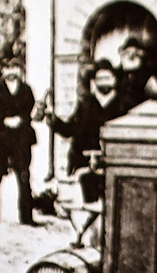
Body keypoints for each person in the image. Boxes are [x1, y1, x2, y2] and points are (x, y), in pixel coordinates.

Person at [44, 59, 124, 201]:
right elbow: (71, 130)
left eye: (108, 78)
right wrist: (53, 119)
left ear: (115, 80)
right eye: (100, 78)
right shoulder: (86, 105)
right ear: (94, 81)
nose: (104, 82)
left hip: (113, 162)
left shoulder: (123, 105)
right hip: (85, 164)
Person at [0, 58, 37, 226]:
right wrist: (4, 120)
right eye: (8, 68)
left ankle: (26, 217)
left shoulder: (26, 90)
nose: (12, 71)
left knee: (23, 176)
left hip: (21, 138)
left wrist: (20, 119)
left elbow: (29, 108)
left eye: (16, 68)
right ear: (3, 70)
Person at [117, 36, 157, 112]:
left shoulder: (148, 77)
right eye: (127, 52)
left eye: (135, 52)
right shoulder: (117, 75)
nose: (131, 56)